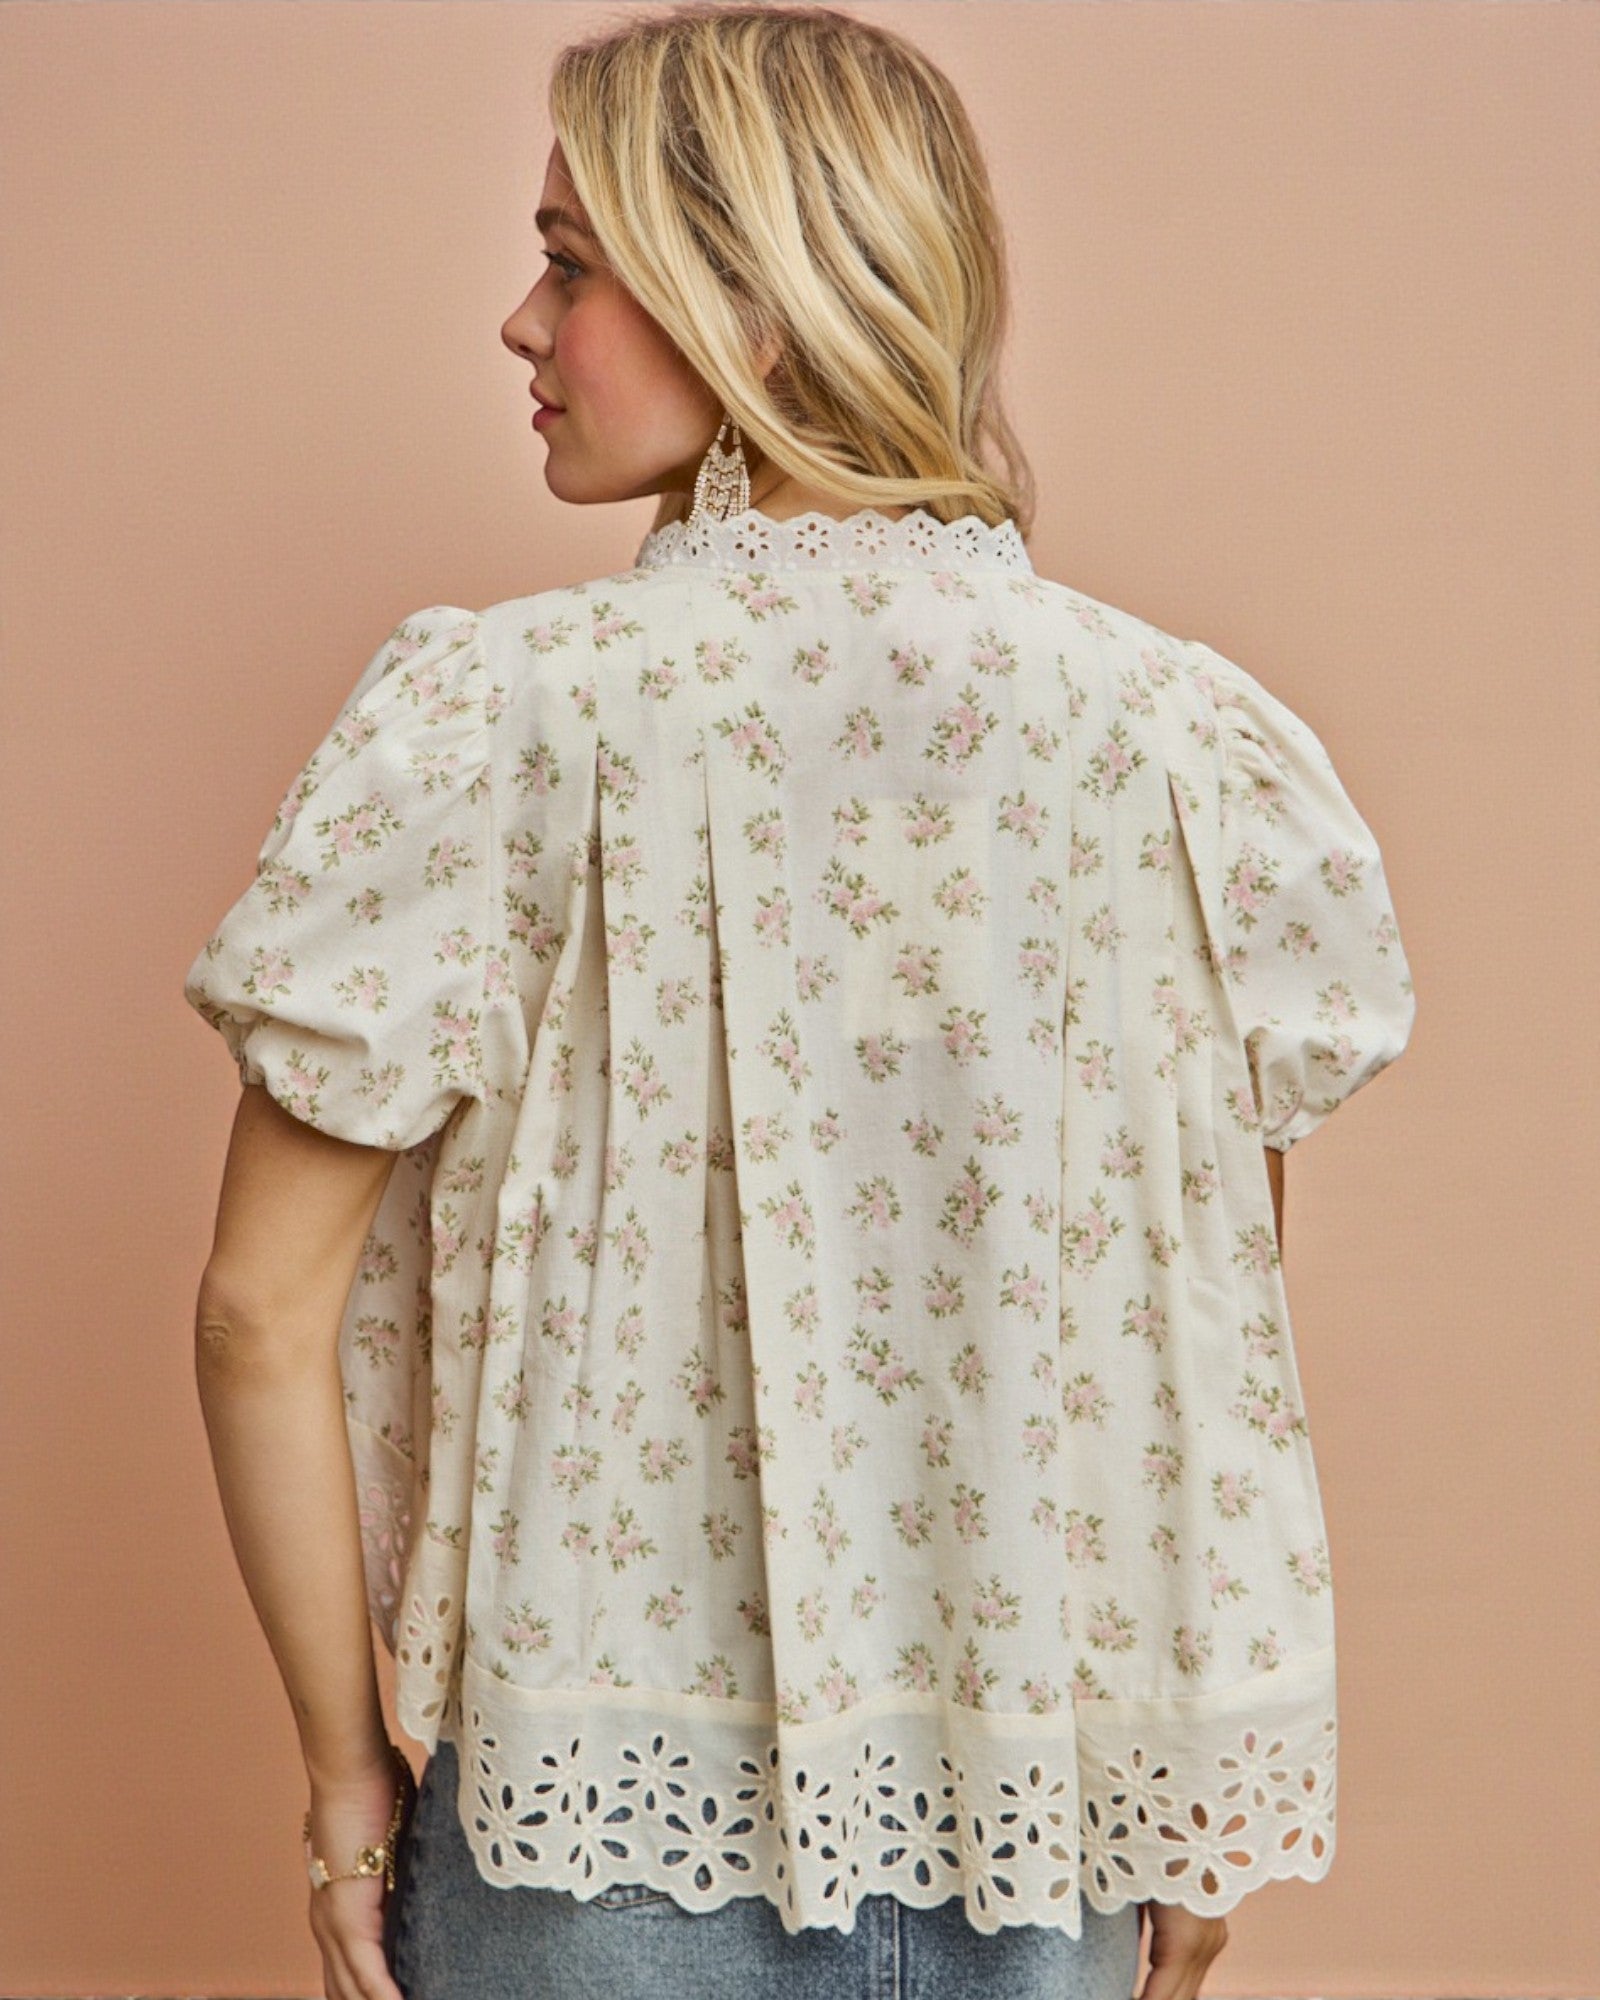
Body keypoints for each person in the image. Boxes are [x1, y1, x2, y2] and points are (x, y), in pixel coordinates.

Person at [183, 6, 1418, 1999]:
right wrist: (1192, 1792)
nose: (521, 323)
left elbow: (256, 1311)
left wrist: (345, 1796)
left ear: (754, 311)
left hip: (578, 1846)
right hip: (1040, 1833)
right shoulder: (1169, 742)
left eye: (569, 263)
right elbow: (1197, 1328)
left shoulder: (495, 721)